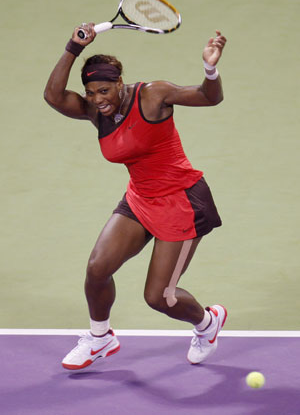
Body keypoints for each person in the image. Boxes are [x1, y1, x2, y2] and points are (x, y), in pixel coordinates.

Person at [44, 22, 227, 370]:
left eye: (104, 91)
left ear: (119, 83)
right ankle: (100, 338)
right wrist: (72, 47)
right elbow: (53, 96)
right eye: (91, 93)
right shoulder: (96, 112)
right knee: (98, 269)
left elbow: (208, 97)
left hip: (183, 202)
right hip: (141, 199)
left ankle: (207, 323)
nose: (98, 100)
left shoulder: (153, 95)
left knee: (160, 298)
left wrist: (210, 68)